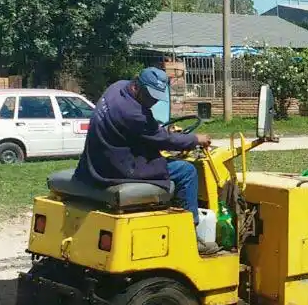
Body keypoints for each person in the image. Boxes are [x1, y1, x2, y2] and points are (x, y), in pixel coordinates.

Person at [74, 67, 217, 255]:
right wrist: (195, 139)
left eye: (157, 97)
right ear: (137, 86)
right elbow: (163, 139)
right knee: (187, 171)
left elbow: (142, 132)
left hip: (101, 159)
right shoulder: (133, 113)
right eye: (150, 96)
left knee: (166, 163)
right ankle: (190, 236)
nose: (154, 101)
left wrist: (161, 131)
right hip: (118, 168)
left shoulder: (117, 88)